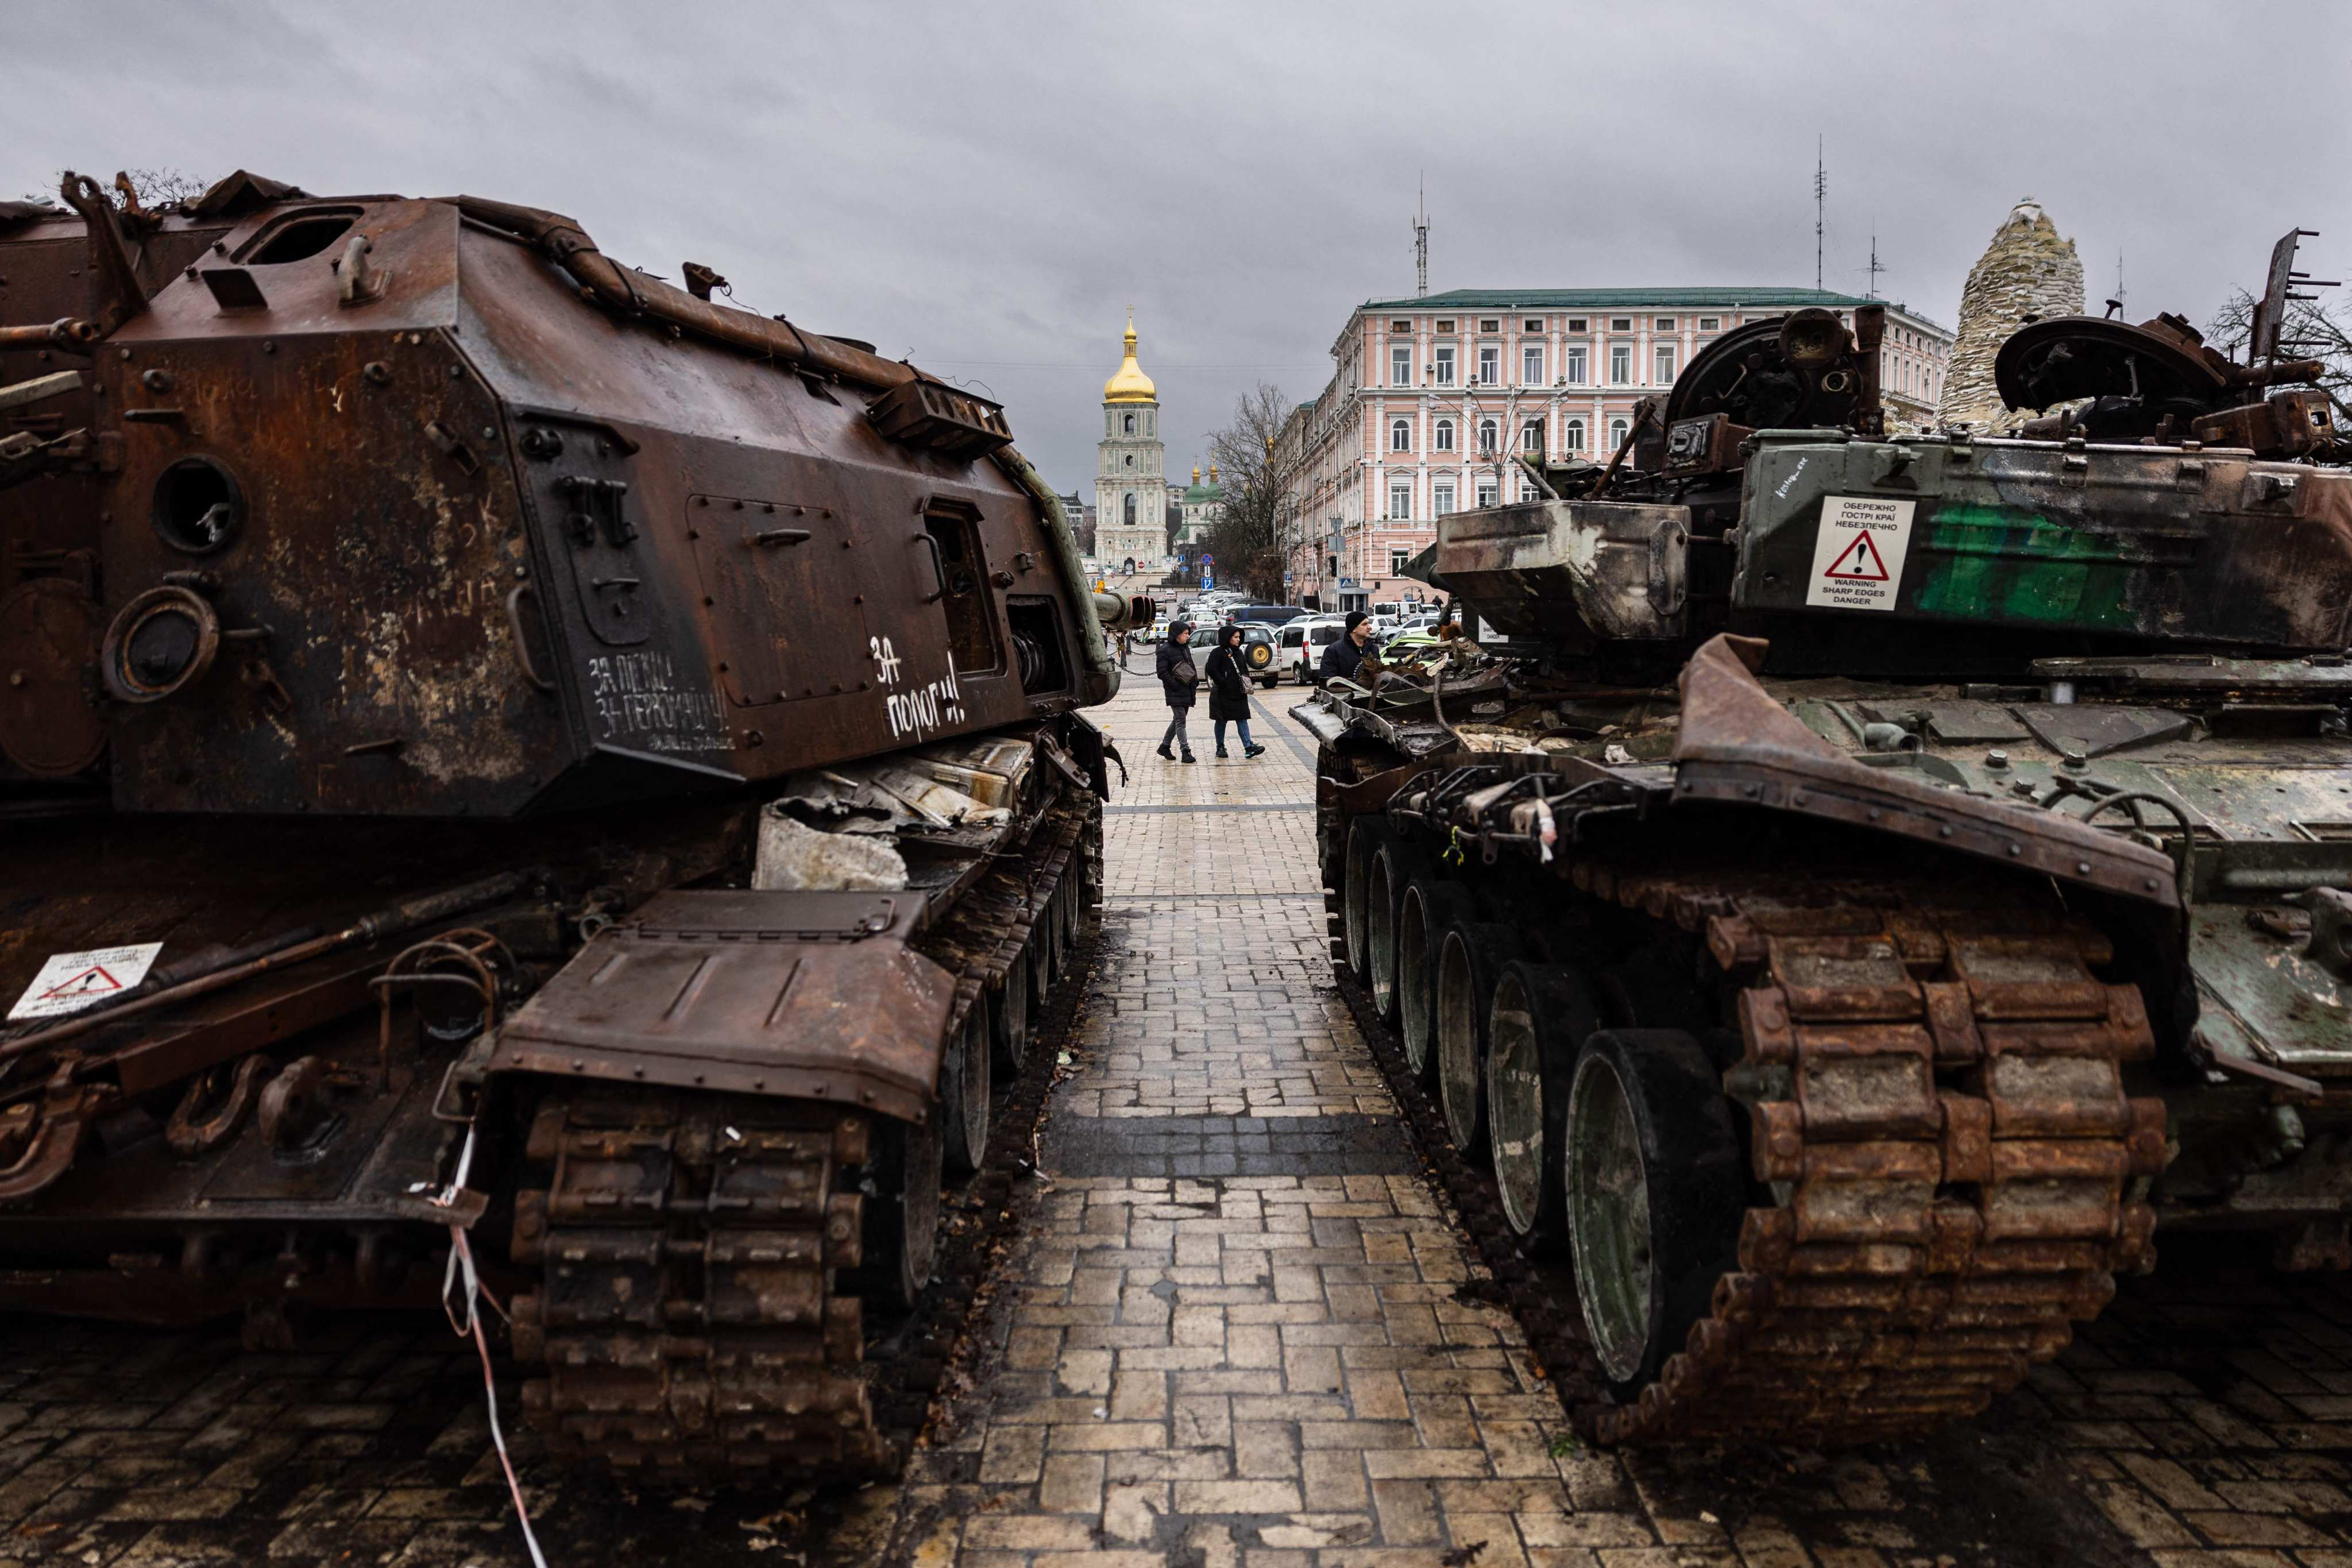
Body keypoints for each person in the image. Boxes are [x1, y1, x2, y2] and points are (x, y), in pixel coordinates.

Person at [1203, 624, 1266, 760]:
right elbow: (1211, 669)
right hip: (1222, 694)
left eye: (1239, 637)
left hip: (1239, 693)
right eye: (1235, 637)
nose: (1238, 640)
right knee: (1221, 721)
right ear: (1228, 638)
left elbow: (1244, 669)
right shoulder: (1218, 653)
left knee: (1242, 719)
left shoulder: (1239, 652)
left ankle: (1248, 747)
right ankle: (1220, 747)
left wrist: (1247, 682)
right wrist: (1222, 682)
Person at [1154, 620, 1198, 763]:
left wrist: (1195, 681)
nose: (1187, 637)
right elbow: (1161, 672)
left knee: (1178, 720)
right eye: (1185, 634)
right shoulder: (1164, 650)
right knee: (1181, 721)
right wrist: (1173, 685)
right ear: (1177, 635)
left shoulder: (1184, 648)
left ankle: (1164, 746)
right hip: (1174, 691)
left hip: (1186, 690)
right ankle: (1185, 751)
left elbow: (1190, 666)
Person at [1318, 611, 1373, 685]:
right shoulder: (1334, 651)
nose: (1369, 627)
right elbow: (1328, 682)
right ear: (1354, 629)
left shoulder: (1373, 649)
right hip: (1346, 695)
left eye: (1368, 624)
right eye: (1364, 624)